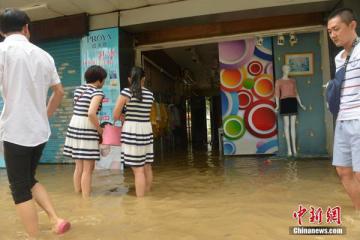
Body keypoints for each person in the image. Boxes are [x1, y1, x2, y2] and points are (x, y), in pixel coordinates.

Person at [0, 8, 70, 238]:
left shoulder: (2, 52)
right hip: (40, 132)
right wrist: (45, 115)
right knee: (29, 179)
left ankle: (33, 236)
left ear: (1, 31)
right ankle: (55, 219)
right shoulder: (44, 55)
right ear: (27, 28)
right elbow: (59, 92)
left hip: (15, 132)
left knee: (19, 188)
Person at [327, 8, 360, 209]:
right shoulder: (339, 58)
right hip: (341, 120)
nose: (333, 35)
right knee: (343, 171)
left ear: (352, 25)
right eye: (330, 31)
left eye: (337, 29)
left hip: (359, 118)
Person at [63, 65, 106, 198]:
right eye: (103, 79)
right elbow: (91, 113)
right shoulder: (97, 92)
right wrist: (99, 129)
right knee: (88, 169)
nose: (103, 82)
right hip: (87, 126)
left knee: (79, 166)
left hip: (74, 124)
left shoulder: (78, 90)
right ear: (99, 80)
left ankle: (78, 195)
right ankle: (86, 200)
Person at [113, 66, 154, 197]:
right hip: (146, 129)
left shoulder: (126, 92)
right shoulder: (150, 94)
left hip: (132, 130)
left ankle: (140, 203)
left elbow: (115, 114)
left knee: (138, 170)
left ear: (130, 79)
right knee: (147, 166)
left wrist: (123, 116)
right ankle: (147, 195)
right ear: (144, 78)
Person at [274, 64, 306, 156]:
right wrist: (277, 105)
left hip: (293, 101)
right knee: (286, 125)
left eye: (289, 68)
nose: (288, 70)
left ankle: (294, 150)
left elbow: (296, 92)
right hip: (284, 102)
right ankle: (289, 150)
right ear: (283, 69)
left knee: (293, 126)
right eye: (286, 68)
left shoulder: (293, 81)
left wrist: (300, 104)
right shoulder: (279, 81)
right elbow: (277, 94)